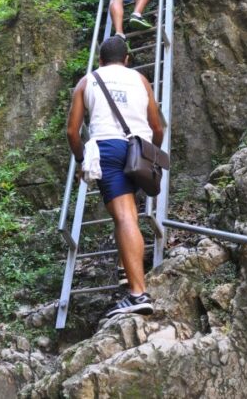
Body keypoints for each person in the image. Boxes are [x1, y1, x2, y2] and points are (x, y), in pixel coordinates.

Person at [66, 35, 164, 318]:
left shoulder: (88, 81)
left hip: (108, 149)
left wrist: (81, 160)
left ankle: (137, 293)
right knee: (129, 214)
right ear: (127, 59)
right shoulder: (140, 80)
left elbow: (72, 132)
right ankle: (131, 278)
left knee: (124, 217)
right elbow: (157, 126)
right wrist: (151, 152)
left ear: (100, 60)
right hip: (139, 150)